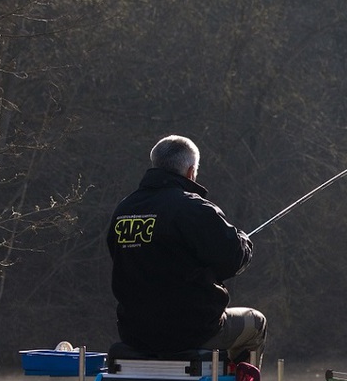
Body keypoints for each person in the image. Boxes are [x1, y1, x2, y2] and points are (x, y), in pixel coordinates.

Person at [106, 135, 266, 366]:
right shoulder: (193, 208)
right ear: (191, 171)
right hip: (194, 332)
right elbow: (233, 260)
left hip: (134, 333)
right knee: (257, 323)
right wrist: (244, 242)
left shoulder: (125, 208)